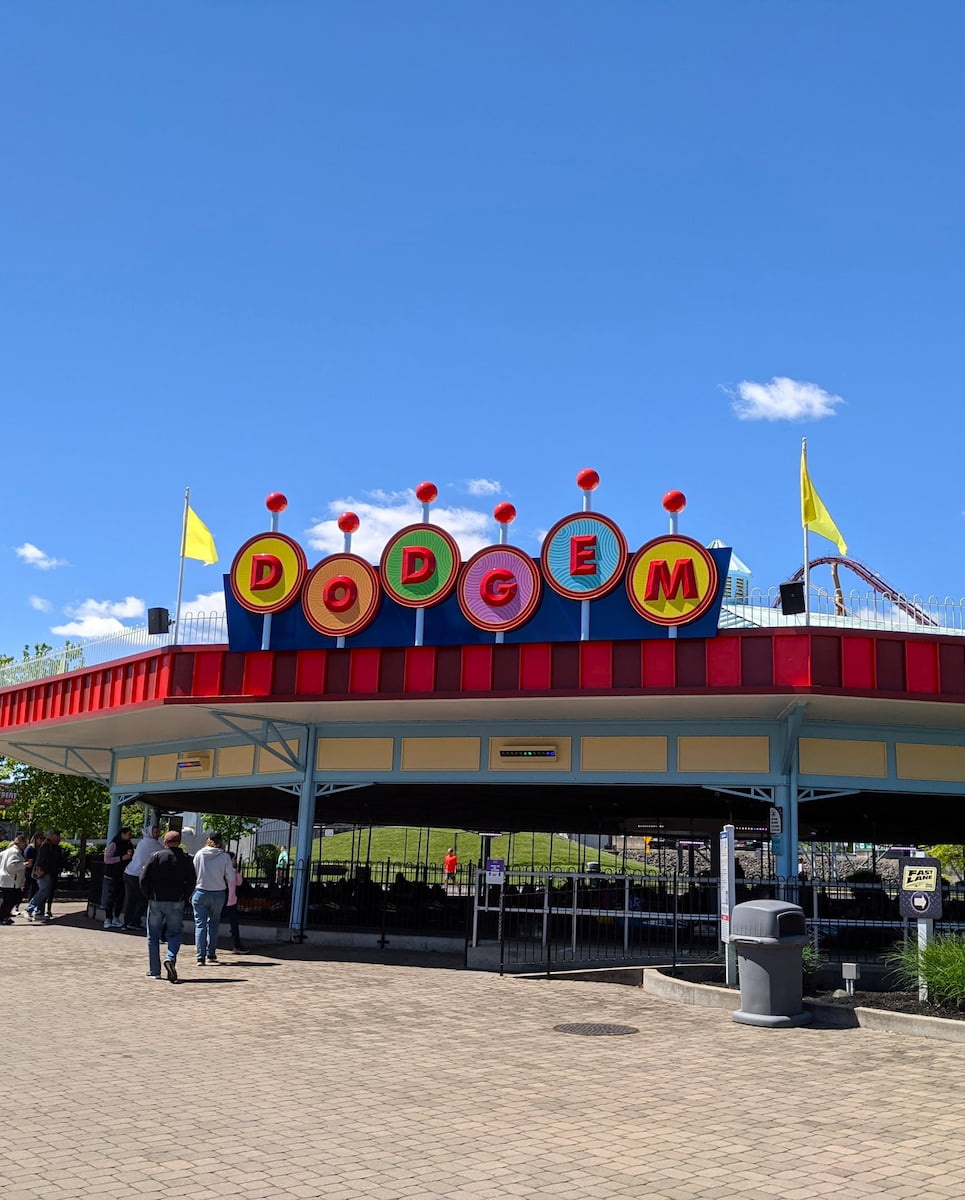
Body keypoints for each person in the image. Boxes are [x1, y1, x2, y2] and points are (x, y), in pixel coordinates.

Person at [140, 829, 196, 982]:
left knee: (153, 935)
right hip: (176, 901)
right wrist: (184, 896)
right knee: (174, 933)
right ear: (179, 842)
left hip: (156, 900)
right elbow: (191, 881)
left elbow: (143, 879)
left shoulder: (156, 856)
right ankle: (170, 957)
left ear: (165, 842)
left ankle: (154, 970)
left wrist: (149, 895)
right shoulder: (186, 859)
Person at [192, 832, 234, 964]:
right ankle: (211, 953)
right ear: (220, 842)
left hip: (201, 891)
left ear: (208, 840)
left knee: (200, 924)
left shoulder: (199, 854)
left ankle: (200, 956)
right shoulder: (225, 856)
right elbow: (231, 877)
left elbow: (194, 871)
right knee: (214, 923)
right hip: (218, 892)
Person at [122, 825, 163, 930]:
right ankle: (134, 921)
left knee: (130, 899)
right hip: (138, 875)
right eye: (156, 832)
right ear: (150, 833)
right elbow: (163, 853)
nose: (158, 834)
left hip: (129, 872)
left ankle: (127, 922)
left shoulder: (142, 842)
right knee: (143, 899)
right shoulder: (154, 844)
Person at [25, 830, 63, 922]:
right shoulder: (46, 845)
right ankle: (29, 909)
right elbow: (41, 858)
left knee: (44, 892)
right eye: (57, 835)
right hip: (44, 872)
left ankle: (38, 912)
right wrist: (40, 869)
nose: (59, 838)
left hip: (47, 872)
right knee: (43, 891)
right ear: (52, 836)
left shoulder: (51, 846)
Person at [102, 826, 134, 929]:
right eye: (128, 834)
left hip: (123, 874)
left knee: (120, 897)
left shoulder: (129, 845)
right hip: (113, 874)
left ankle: (116, 917)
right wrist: (121, 858)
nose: (130, 836)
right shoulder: (114, 844)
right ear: (122, 834)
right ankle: (108, 918)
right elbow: (107, 859)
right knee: (111, 897)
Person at [221, 851, 249, 954]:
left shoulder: (221, 870)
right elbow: (239, 882)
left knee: (212, 922)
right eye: (234, 859)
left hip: (223, 900)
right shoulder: (231, 871)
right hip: (230, 901)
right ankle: (236, 945)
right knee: (233, 925)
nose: (235, 861)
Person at [0, 834, 28, 924]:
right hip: (11, 880)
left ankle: (4, 916)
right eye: (24, 843)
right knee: (11, 899)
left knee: (9, 899)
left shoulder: (7, 851)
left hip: (7, 879)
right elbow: (11, 866)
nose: (25, 845)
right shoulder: (15, 852)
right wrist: (24, 864)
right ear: (21, 842)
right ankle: (3, 916)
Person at [18, 833, 44, 914]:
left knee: (34, 889)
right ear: (36, 839)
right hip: (29, 872)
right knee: (25, 889)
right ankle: (16, 906)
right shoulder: (30, 848)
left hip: (35, 872)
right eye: (40, 839)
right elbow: (28, 860)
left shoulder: (39, 848)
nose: (42, 841)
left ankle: (31, 906)